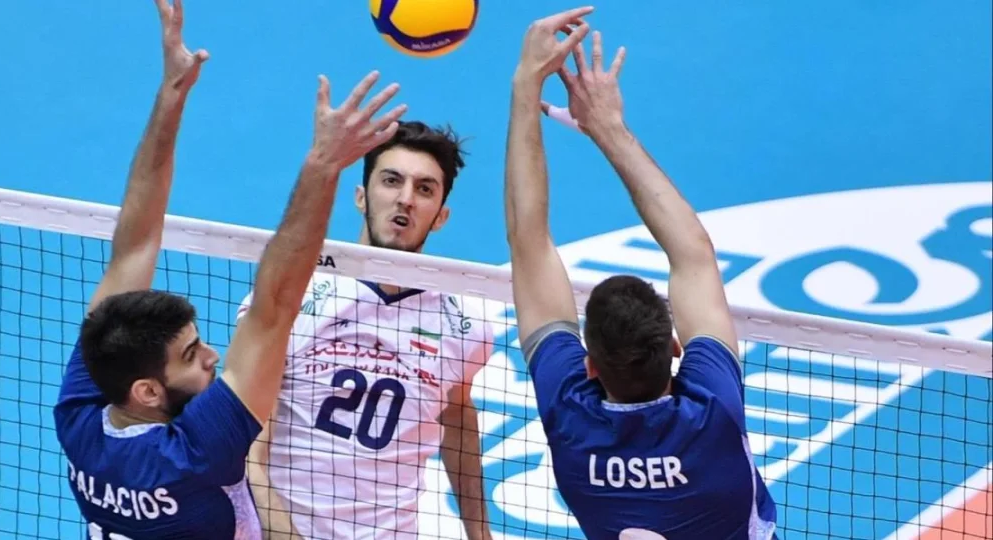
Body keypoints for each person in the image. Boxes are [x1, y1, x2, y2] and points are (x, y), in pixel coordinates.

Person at [52, 1, 408, 537]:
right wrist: (324, 165)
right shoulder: (195, 452)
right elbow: (274, 308)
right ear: (147, 392)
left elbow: (135, 243)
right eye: (191, 356)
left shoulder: (82, 416)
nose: (212, 355)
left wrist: (172, 93)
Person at [504, 6, 778, 539]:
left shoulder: (571, 422)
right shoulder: (712, 415)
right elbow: (693, 252)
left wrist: (525, 85)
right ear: (676, 347)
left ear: (588, 367)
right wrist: (608, 127)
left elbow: (528, 245)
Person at [238, 121, 494, 539]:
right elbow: (247, 455)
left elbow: (458, 419)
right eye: (391, 181)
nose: (406, 199)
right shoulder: (293, 299)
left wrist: (479, 533)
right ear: (361, 197)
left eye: (424, 189)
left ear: (441, 216)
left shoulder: (464, 328)